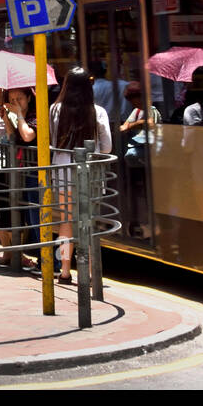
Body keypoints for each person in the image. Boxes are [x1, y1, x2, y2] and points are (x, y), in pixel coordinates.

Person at [48, 66, 112, 285]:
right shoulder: (98, 111)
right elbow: (107, 147)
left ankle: (65, 272)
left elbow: (53, 141)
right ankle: (94, 274)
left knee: (66, 222)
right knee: (89, 222)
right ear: (89, 87)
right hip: (90, 173)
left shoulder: (54, 110)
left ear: (66, 86)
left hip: (62, 170)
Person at [0, 88, 36, 269]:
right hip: (2, 169)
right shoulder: (6, 114)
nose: (16, 102)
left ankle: (10, 253)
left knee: (10, 211)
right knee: (9, 210)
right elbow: (15, 139)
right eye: (12, 99)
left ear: (29, 98)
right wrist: (12, 116)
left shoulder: (11, 114)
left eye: (20, 98)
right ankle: (13, 254)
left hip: (6, 168)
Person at [119, 82, 159, 238]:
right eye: (131, 100)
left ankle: (152, 220)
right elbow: (124, 125)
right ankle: (137, 220)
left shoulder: (151, 110)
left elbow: (150, 123)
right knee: (136, 188)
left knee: (149, 190)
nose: (133, 103)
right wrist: (130, 125)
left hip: (149, 154)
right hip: (136, 156)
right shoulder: (136, 111)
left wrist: (131, 126)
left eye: (135, 99)